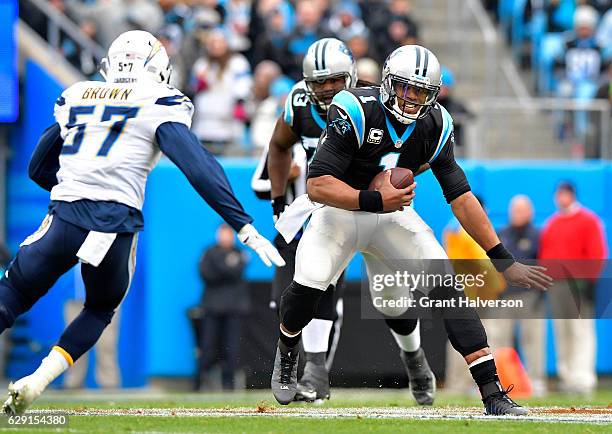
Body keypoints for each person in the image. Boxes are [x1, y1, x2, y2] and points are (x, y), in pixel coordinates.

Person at [1, 30, 284, 415]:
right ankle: (38, 380)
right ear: (155, 67)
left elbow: (38, 166)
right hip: (113, 221)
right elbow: (197, 166)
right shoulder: (160, 99)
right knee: (99, 309)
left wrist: (74, 186)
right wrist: (243, 225)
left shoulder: (78, 93)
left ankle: (37, 378)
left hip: (64, 214)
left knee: (13, 295)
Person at [271, 45, 552, 415]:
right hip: (338, 211)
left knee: (447, 289)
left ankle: (493, 394)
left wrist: (500, 257)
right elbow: (318, 184)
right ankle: (288, 350)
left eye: (421, 91)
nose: (411, 99)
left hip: (392, 217)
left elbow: (461, 196)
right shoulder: (354, 108)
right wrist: (373, 200)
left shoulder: (436, 123)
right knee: (309, 280)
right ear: (388, 83)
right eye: (405, 88)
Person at [267, 38, 435, 405]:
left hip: (381, 208)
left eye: (335, 80)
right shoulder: (299, 104)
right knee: (313, 280)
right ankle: (315, 370)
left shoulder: (375, 105)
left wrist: (395, 181)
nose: (327, 89)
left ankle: (414, 357)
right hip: (328, 205)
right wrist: (279, 201)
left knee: (392, 296)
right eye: (319, 82)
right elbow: (278, 144)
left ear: (353, 76)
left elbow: (423, 150)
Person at [539, 181, 607, 396]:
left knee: (581, 331)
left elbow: (597, 253)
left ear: (572, 195)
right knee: (562, 331)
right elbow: (546, 255)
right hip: (556, 285)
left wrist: (590, 281)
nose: (561, 198)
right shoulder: (552, 223)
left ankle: (583, 377)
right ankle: (567, 376)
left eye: (564, 194)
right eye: (558, 194)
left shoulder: (588, 220)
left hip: (578, 284)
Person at [494, 195, 547, 397]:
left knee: (532, 339)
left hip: (530, 296)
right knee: (501, 340)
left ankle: (536, 381)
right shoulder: (502, 234)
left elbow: (545, 264)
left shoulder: (537, 235)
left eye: (521, 210)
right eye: (514, 209)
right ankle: (500, 382)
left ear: (530, 212)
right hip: (506, 296)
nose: (516, 214)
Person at [196, 224, 250, 391]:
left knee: (232, 347)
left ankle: (229, 384)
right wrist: (226, 266)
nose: (225, 237)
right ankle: (198, 383)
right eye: (222, 234)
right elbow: (206, 274)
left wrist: (221, 267)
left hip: (234, 308)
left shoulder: (239, 253)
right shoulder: (209, 252)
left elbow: (237, 271)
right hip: (212, 307)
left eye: (228, 234)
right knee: (207, 346)